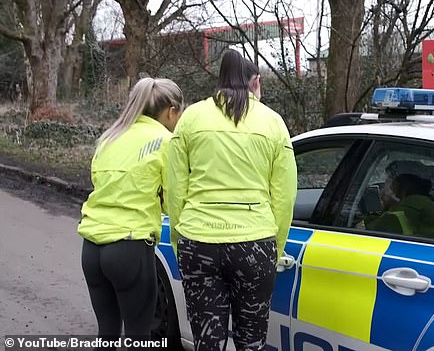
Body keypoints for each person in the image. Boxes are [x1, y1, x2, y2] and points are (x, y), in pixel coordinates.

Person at [166, 49, 297, 351]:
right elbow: (285, 194)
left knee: (207, 342)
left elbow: (175, 188)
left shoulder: (191, 119)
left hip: (199, 241)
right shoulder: (273, 122)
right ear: (256, 82)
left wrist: (179, 239)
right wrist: (273, 248)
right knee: (251, 342)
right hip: (255, 243)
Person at [78, 77, 184, 347]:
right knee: (139, 334)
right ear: (171, 111)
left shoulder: (109, 138)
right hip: (129, 248)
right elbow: (173, 201)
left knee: (108, 332)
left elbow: (102, 184)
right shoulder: (165, 141)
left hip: (91, 248)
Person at [365, 171, 434, 238]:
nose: (382, 191)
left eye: (390, 186)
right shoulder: (429, 203)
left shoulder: (399, 213)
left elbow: (371, 230)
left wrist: (387, 207)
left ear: (399, 189)